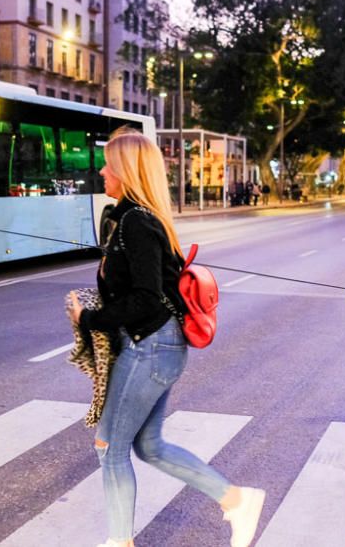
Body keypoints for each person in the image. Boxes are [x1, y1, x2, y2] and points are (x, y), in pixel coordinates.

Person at [66, 131, 265, 547]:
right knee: (150, 446)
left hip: (150, 347)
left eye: (108, 164)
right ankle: (236, 499)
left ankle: (120, 542)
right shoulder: (133, 218)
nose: (101, 171)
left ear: (127, 170)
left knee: (109, 445)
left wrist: (90, 318)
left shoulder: (137, 222)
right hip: (160, 346)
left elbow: (146, 298)